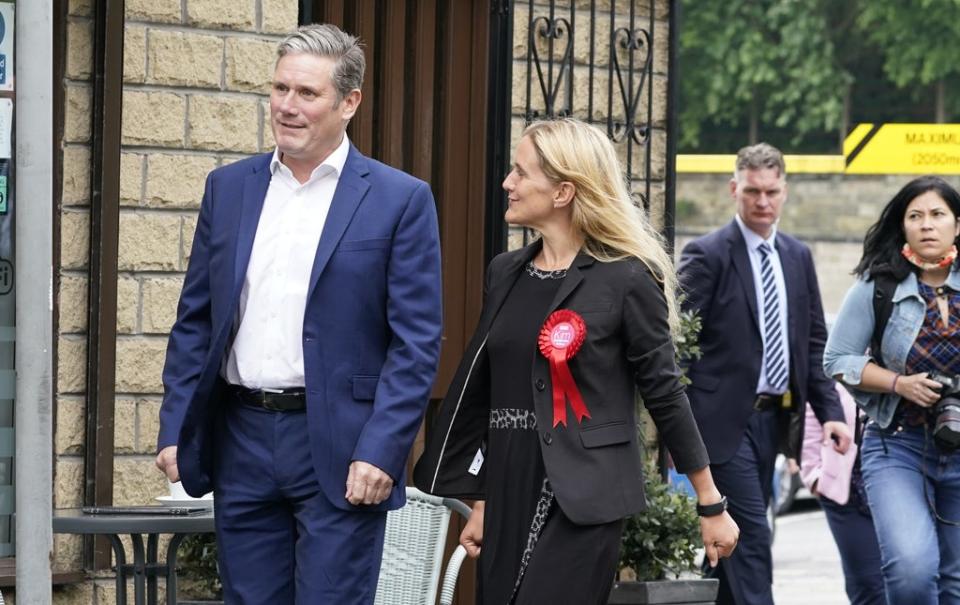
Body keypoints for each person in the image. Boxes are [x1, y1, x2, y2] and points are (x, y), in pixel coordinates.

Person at [154, 24, 442, 604]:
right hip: (242, 438)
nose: (287, 106)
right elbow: (197, 320)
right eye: (280, 88)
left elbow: (416, 343)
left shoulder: (399, 199)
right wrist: (175, 426)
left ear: (349, 103)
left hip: (342, 448)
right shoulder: (229, 188)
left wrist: (382, 448)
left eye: (307, 93)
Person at [413, 118, 739, 605]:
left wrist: (710, 501)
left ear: (564, 191)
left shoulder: (628, 277)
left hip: (585, 491)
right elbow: (484, 386)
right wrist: (479, 496)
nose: (508, 183)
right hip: (508, 482)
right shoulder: (505, 272)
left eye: (521, 173)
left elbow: (665, 393)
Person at [677, 142, 851, 605]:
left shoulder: (798, 255)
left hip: (774, 423)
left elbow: (813, 342)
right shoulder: (706, 254)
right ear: (735, 188)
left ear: (785, 192)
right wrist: (677, 425)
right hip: (719, 423)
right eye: (752, 190)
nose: (762, 201)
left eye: (771, 191)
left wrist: (830, 412)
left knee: (730, 543)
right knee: (753, 535)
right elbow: (679, 347)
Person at [824, 176, 960, 604]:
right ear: (902, 227)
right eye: (915, 216)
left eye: (938, 214)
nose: (927, 225)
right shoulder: (878, 287)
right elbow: (837, 360)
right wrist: (899, 383)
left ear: (957, 224)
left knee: (956, 583)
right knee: (911, 571)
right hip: (897, 444)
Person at [798, 386, 885, 605]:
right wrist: (815, 475)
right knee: (868, 583)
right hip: (848, 491)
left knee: (909, 574)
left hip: (897, 480)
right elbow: (811, 416)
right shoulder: (836, 365)